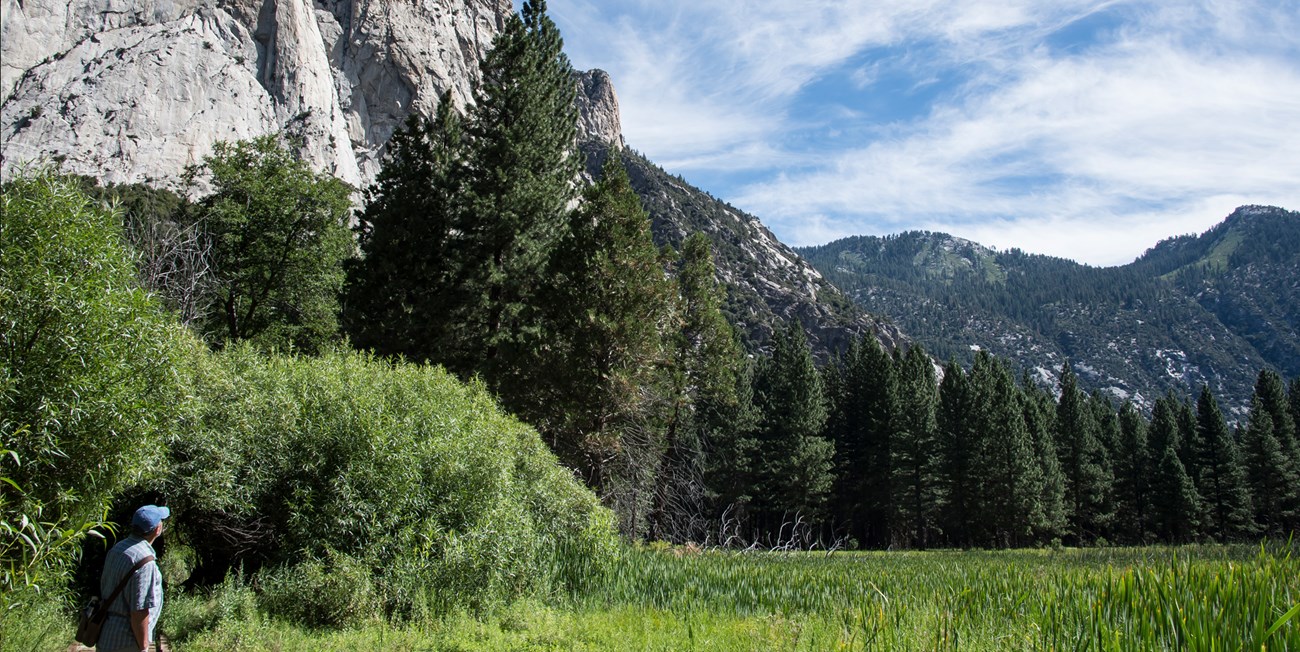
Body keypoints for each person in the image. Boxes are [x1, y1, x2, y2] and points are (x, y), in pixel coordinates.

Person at [97, 504, 169, 652]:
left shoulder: (117, 549)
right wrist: (143, 646)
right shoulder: (145, 560)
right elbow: (139, 611)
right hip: (127, 642)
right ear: (157, 529)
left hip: (106, 636)